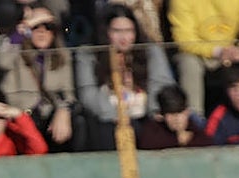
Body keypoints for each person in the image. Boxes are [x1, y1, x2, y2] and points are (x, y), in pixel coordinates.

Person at [74, 3, 174, 151]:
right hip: (107, 119)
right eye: (117, 31)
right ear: (106, 31)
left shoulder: (150, 51)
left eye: (129, 31)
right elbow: (87, 93)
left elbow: (163, 83)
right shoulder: (88, 54)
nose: (124, 37)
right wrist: (115, 116)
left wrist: (154, 111)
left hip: (144, 116)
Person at [0, 5, 81, 152]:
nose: (42, 31)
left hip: (49, 116)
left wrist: (63, 110)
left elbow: (68, 92)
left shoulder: (62, 55)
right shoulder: (14, 49)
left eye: (48, 26)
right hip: (21, 115)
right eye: (36, 26)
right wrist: (23, 29)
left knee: (76, 122)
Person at [168, 0, 239, 114]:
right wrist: (217, 51)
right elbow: (184, 39)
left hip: (232, 49)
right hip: (196, 53)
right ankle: (195, 118)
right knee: (188, 63)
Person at [135, 82, 214, 148]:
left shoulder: (194, 130)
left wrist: (189, 140)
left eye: (180, 113)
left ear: (187, 112)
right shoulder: (152, 131)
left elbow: (208, 146)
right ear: (162, 116)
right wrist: (177, 140)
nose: (176, 119)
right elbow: (147, 145)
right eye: (171, 114)